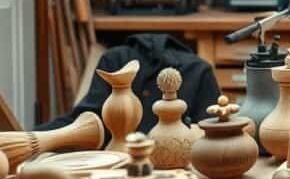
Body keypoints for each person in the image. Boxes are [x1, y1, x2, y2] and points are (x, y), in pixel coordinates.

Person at [38, 34, 220, 135]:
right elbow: (84, 118)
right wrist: (34, 136)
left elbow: (210, 132)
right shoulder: (114, 61)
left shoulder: (198, 71)